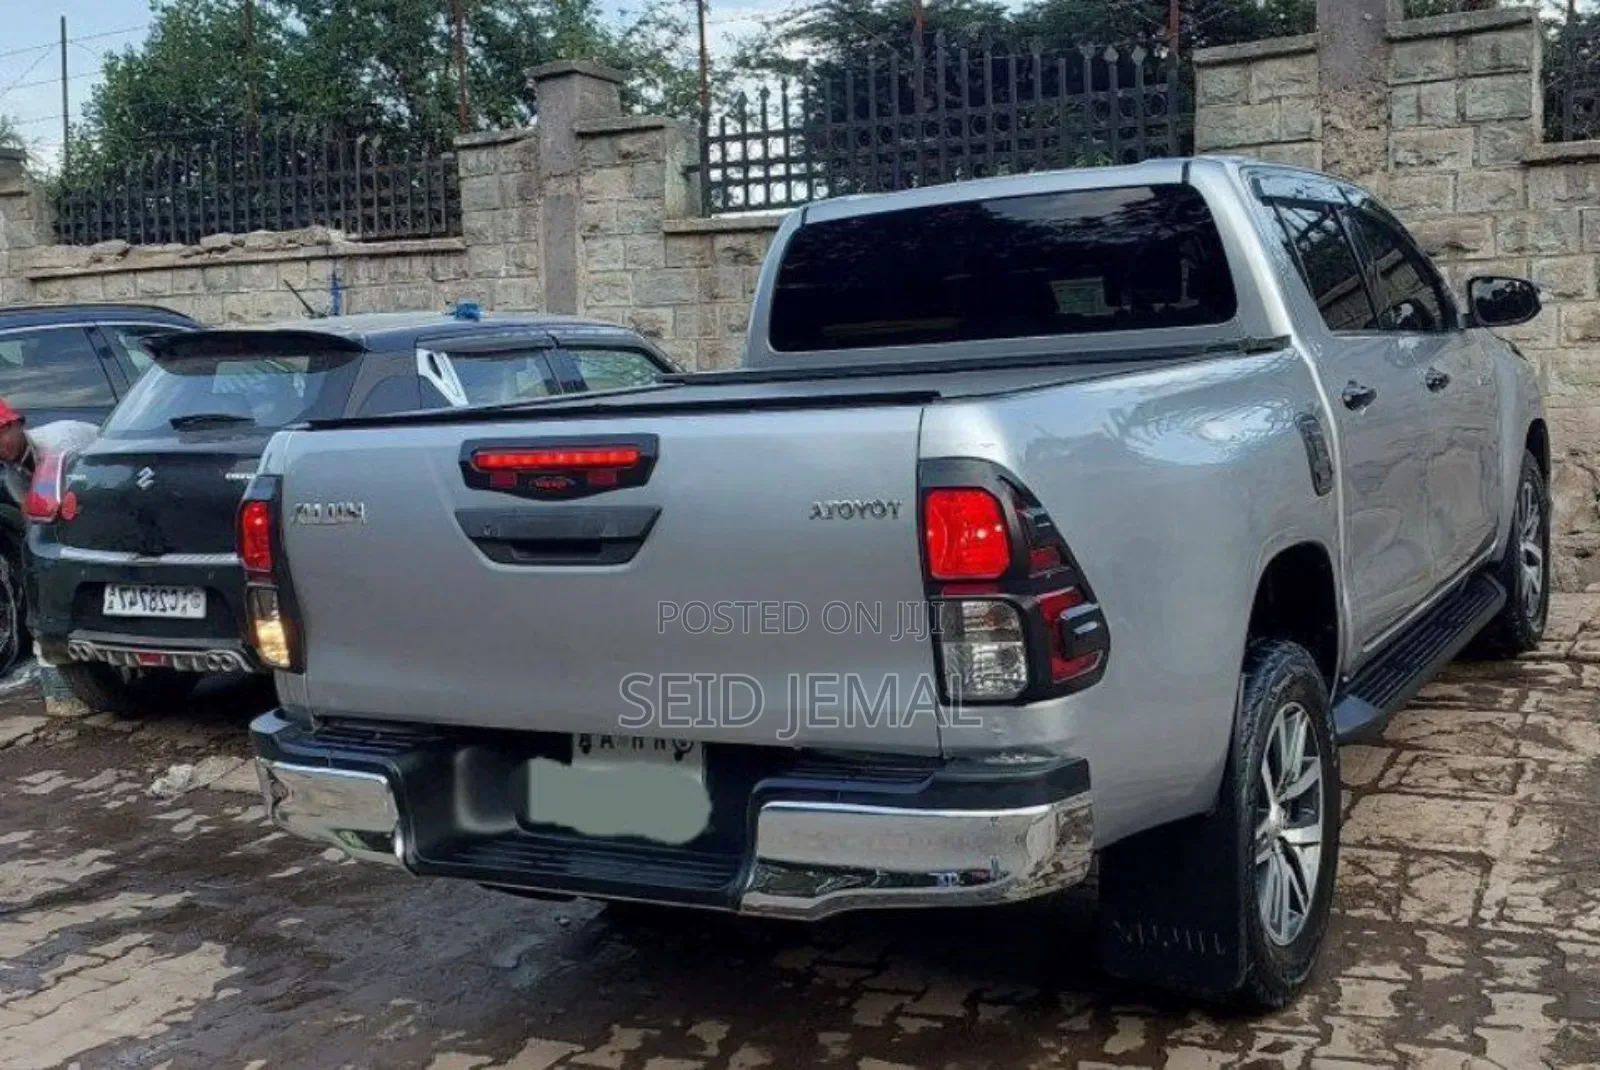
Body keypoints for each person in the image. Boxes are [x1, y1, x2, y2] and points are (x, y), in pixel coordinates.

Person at [0, 400, 99, 505]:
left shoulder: (57, 448)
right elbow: (28, 507)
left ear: (19, 424)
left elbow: (84, 491)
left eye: (0, 433)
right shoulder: (13, 471)